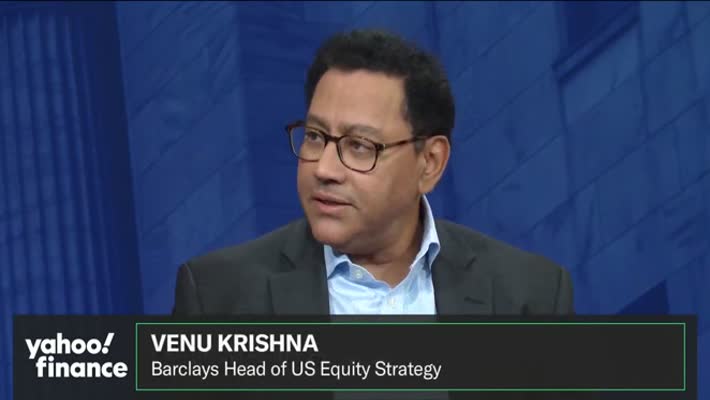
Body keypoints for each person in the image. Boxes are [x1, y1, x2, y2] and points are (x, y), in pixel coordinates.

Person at [172, 29, 573, 317]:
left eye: (359, 146)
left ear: (430, 163)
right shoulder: (217, 298)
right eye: (314, 137)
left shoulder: (530, 298)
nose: (324, 169)